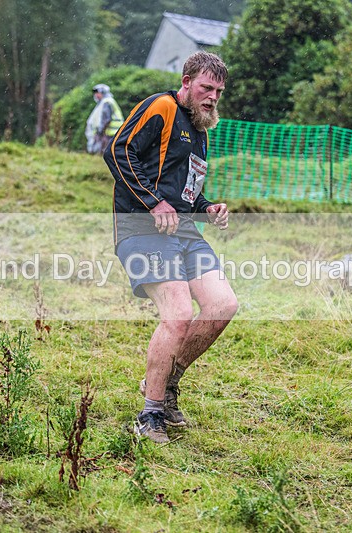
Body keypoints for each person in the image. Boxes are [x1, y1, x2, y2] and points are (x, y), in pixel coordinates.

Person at [103, 52, 238, 444]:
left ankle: (164, 382)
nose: (212, 97)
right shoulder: (161, 106)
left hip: (183, 231)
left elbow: (185, 192)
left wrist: (207, 207)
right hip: (142, 225)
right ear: (186, 81)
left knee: (222, 305)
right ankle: (150, 416)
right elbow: (117, 151)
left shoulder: (201, 131)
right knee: (178, 314)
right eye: (206, 87)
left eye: (218, 91)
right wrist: (153, 202)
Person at [86, 84, 123, 154]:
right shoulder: (105, 102)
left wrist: (100, 131)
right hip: (110, 133)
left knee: (107, 154)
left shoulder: (107, 102)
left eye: (98, 93)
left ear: (103, 92)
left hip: (110, 133)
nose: (96, 95)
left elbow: (106, 119)